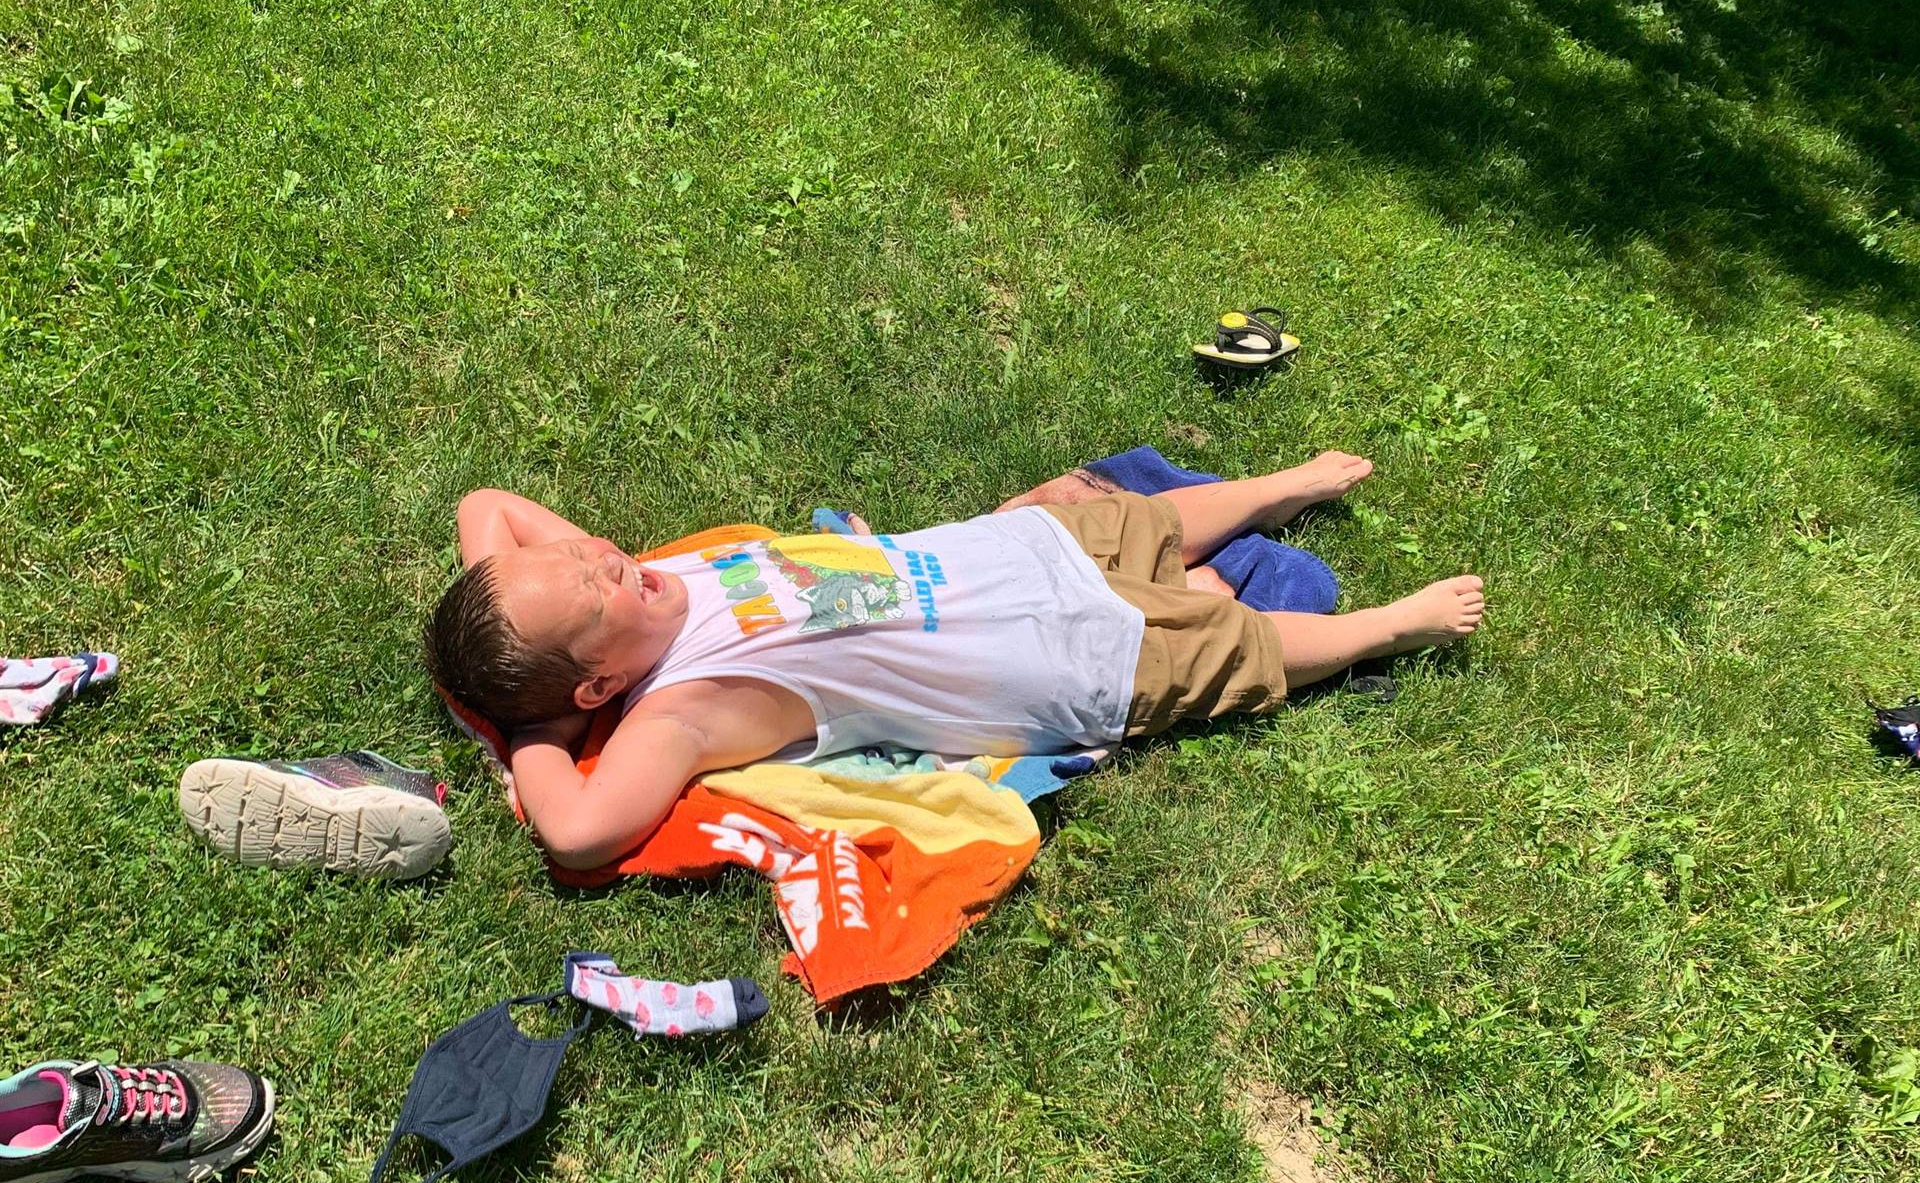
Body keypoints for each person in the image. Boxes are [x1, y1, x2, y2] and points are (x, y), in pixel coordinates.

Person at [425, 454, 1484, 870]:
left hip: (1000, 556)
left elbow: (486, 505)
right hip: (1057, 661)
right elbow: (575, 832)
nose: (606, 553)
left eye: (581, 555)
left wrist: (544, 642)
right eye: (592, 586)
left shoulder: (640, 596)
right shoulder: (683, 708)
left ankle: (1279, 487)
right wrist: (544, 734)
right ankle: (1390, 626)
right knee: (1240, 647)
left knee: (1147, 515)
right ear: (600, 685)